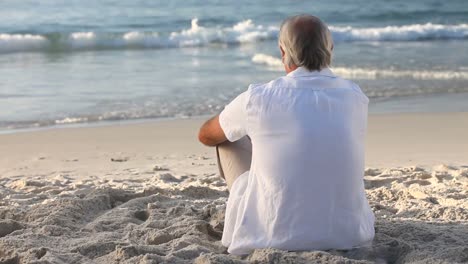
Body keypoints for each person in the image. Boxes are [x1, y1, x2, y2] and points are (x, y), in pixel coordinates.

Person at [198, 14, 375, 255]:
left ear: (283, 51)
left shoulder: (258, 98)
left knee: (227, 139)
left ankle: (243, 212)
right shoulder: (354, 96)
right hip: (350, 234)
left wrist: (250, 129)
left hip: (272, 236)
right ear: (330, 48)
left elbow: (206, 136)